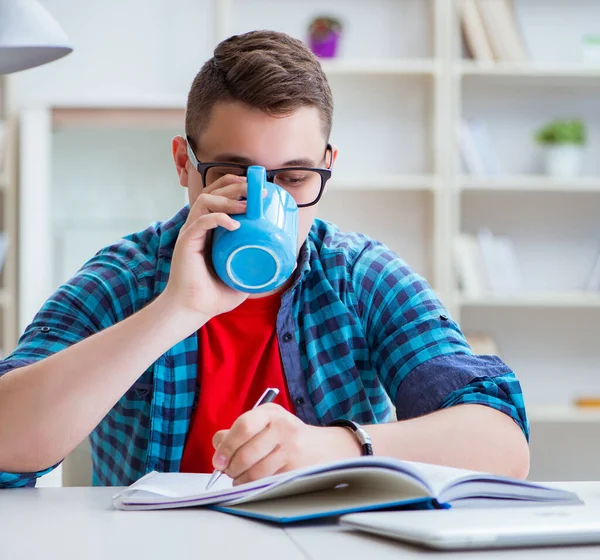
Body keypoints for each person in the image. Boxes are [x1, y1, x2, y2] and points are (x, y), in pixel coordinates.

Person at [0, 30, 529, 489]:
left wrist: (331, 448)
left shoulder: (359, 277)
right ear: (185, 163)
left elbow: (500, 445)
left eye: (294, 179)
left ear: (328, 167)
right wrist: (175, 311)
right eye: (235, 174)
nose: (264, 202)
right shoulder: (126, 278)